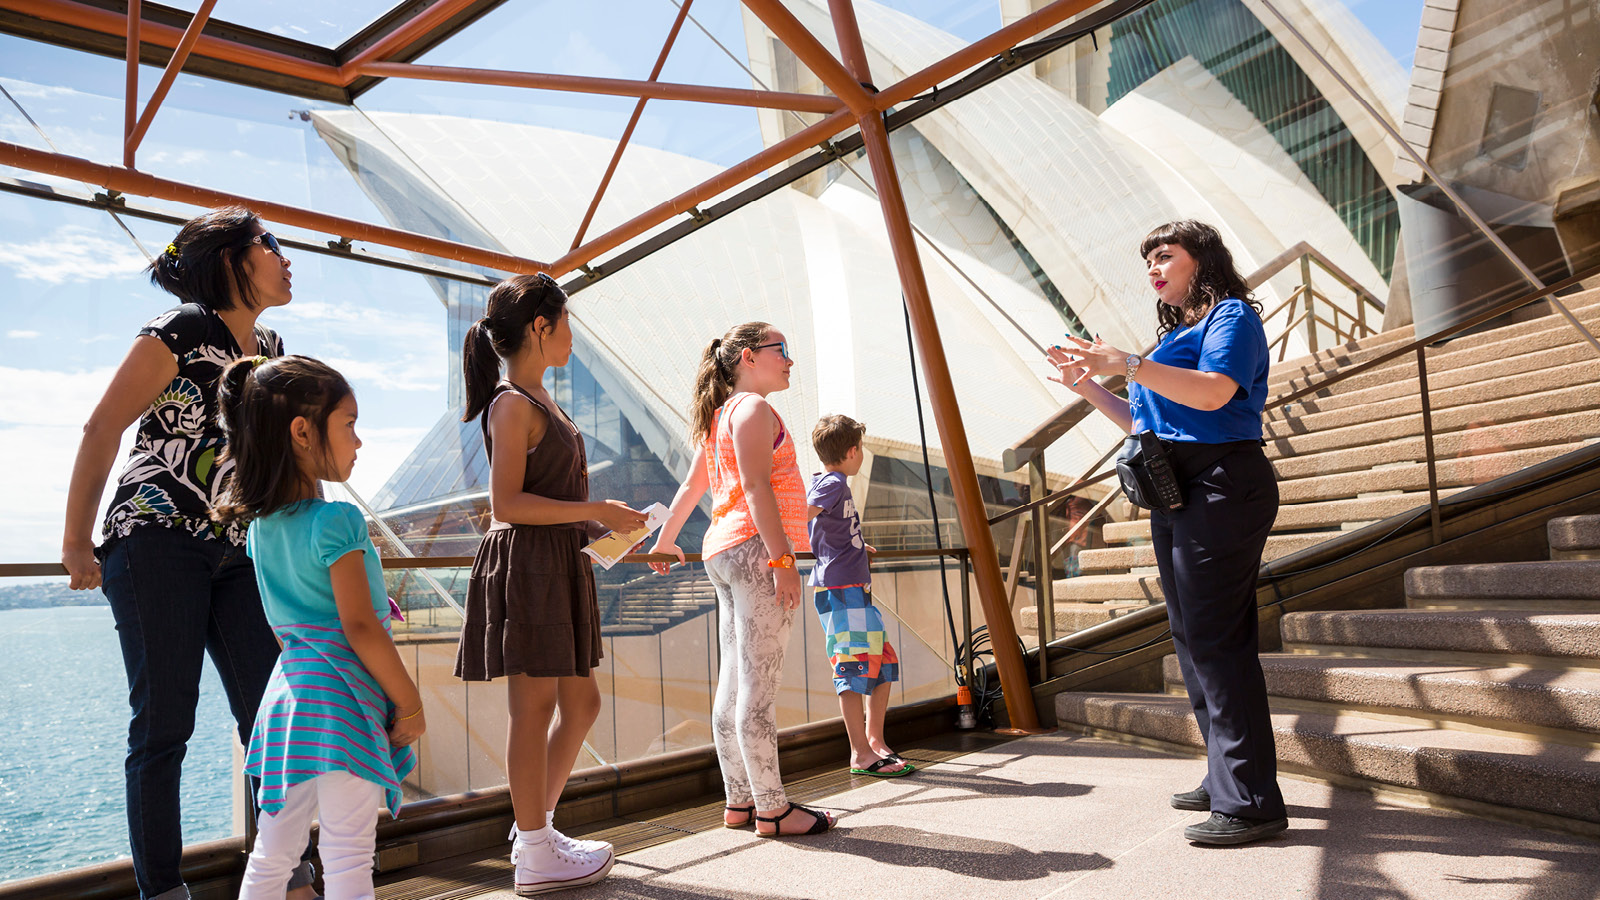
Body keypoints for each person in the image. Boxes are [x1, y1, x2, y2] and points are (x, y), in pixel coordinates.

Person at [58, 207, 319, 899]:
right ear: (231, 259)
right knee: (164, 724)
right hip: (154, 541)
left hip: (237, 547)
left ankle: (287, 872)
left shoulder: (269, 346)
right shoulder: (180, 330)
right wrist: (74, 539)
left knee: (270, 716)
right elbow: (103, 426)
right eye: (271, 244)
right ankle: (164, 891)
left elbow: (277, 464)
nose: (285, 257)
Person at [1047, 220, 1287, 846]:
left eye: (1165, 256)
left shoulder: (1230, 317)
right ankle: (1226, 774)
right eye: (1148, 261)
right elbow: (1140, 420)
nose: (1153, 268)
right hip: (1175, 490)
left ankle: (1253, 800)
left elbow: (1213, 396)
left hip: (1223, 483)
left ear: (1199, 260)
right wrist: (1092, 385)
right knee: (1189, 636)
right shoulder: (1175, 336)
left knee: (1217, 638)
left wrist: (1128, 362)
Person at [456, 273, 643, 894]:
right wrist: (597, 510)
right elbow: (506, 503)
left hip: (555, 560)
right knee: (533, 709)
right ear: (541, 326)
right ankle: (535, 847)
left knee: (580, 704)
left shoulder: (536, 400)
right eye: (564, 321)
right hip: (529, 563)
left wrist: (617, 531)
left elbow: (547, 497)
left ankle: (534, 832)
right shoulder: (513, 403)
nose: (570, 333)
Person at [209, 355, 420, 899]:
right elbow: (360, 628)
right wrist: (410, 704)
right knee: (349, 854)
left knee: (272, 851)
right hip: (343, 702)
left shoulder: (260, 530)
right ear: (303, 432)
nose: (359, 441)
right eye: (349, 424)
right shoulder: (338, 521)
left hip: (288, 702)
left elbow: (286, 628)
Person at [649, 322, 837, 838]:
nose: (790, 360)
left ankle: (741, 803)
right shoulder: (753, 409)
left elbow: (693, 486)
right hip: (756, 550)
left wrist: (666, 541)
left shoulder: (721, 415)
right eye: (783, 350)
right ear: (750, 357)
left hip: (724, 549)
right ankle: (773, 809)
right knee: (758, 686)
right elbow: (756, 487)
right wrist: (784, 561)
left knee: (733, 681)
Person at [805, 415, 912, 778]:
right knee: (851, 667)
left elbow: (822, 526)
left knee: (881, 661)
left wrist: (855, 545)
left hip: (852, 589)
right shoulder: (833, 483)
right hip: (842, 590)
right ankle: (861, 753)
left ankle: (874, 740)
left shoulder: (833, 483)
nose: (862, 454)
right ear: (852, 452)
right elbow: (802, 514)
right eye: (861, 448)